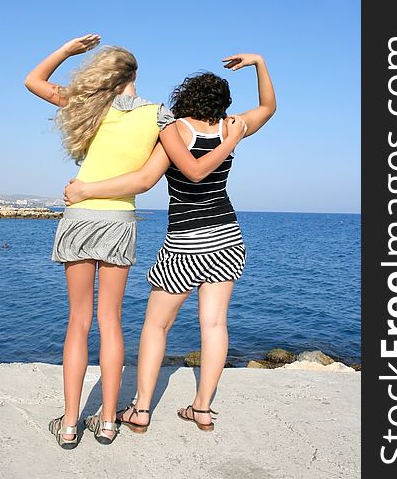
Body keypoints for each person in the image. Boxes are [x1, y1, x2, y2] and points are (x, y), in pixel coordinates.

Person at [24, 35, 247, 448]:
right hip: (120, 220)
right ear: (135, 76)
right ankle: (109, 421)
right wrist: (229, 135)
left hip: (78, 217)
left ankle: (70, 424)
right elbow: (149, 180)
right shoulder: (159, 116)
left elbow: (33, 81)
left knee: (78, 323)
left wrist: (66, 52)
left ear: (103, 75)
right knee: (111, 322)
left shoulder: (87, 106)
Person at [63, 53, 276, 433]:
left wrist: (86, 190)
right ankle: (203, 410)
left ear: (183, 98)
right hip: (227, 236)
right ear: (223, 103)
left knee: (156, 326)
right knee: (213, 325)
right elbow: (269, 107)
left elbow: (185, 173)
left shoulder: (174, 131)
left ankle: (141, 410)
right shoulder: (234, 125)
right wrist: (259, 65)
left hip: (184, 242)